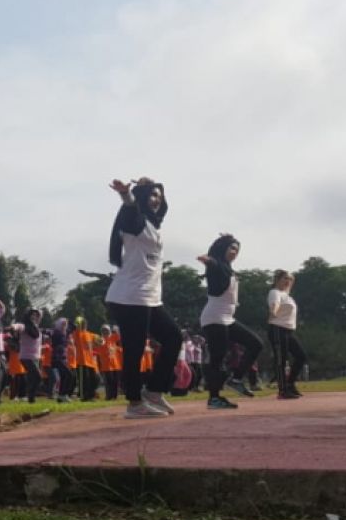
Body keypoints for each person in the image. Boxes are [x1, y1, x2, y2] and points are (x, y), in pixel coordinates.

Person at [103, 177, 183, 418]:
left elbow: (159, 207)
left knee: (173, 338)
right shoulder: (135, 223)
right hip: (129, 297)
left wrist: (157, 185)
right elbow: (130, 211)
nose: (157, 200)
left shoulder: (153, 225)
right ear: (141, 200)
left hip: (149, 298)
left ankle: (155, 391)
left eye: (159, 196)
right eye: (151, 195)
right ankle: (134, 403)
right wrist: (127, 195)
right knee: (134, 350)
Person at [198, 234, 263, 410]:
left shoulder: (229, 269)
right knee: (218, 358)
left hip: (227, 318)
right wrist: (208, 260)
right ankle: (214, 398)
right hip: (214, 317)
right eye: (231, 248)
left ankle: (235, 379)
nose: (235, 252)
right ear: (222, 249)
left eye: (237, 250)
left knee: (256, 343)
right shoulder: (217, 266)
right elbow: (213, 264)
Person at [268, 270, 306, 400]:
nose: (287, 281)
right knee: (281, 360)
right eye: (285, 278)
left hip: (289, 331)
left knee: (301, 356)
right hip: (277, 329)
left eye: (290, 279)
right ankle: (283, 390)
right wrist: (273, 311)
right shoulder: (275, 292)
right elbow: (275, 303)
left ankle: (290, 384)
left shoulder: (288, 296)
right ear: (277, 280)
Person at [16, 309, 44, 403]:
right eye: (32, 315)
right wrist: (13, 327)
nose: (35, 317)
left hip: (35, 357)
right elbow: (19, 326)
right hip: (26, 356)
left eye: (37, 315)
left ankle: (29, 397)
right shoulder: (25, 326)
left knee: (33, 378)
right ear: (28, 316)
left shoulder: (36, 328)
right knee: (37, 377)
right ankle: (29, 397)